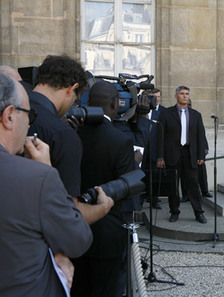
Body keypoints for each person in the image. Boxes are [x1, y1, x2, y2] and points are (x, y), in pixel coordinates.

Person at [0, 71, 103, 296]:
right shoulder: (38, 177)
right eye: (29, 114)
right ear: (9, 116)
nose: (29, 124)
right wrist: (46, 171)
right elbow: (77, 240)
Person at [27, 55, 113, 224]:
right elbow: (68, 215)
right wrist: (103, 207)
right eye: (76, 98)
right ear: (71, 88)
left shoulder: (11, 112)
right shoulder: (62, 135)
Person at [72, 81, 136, 297]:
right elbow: (127, 188)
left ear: (88, 103)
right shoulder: (121, 140)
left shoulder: (70, 135)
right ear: (115, 104)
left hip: (73, 228)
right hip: (108, 233)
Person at [157, 86, 207, 223]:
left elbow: (200, 136)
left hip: (190, 154)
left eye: (187, 94)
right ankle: (174, 211)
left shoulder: (196, 115)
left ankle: (198, 212)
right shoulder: (166, 114)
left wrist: (201, 155)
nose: (185, 96)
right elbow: (160, 136)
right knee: (173, 186)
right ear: (176, 96)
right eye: (182, 94)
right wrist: (160, 156)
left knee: (193, 185)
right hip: (172, 154)